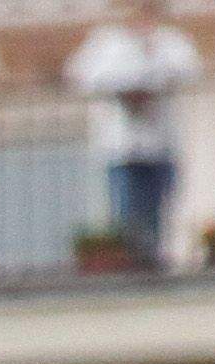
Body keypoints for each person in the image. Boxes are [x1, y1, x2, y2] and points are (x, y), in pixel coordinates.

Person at [62, 0, 203, 254]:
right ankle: (131, 258)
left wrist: (152, 75)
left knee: (160, 210)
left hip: (160, 145)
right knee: (126, 213)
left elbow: (188, 70)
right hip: (122, 149)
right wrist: (125, 89)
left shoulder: (169, 41)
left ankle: (154, 258)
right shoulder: (107, 42)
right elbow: (81, 76)